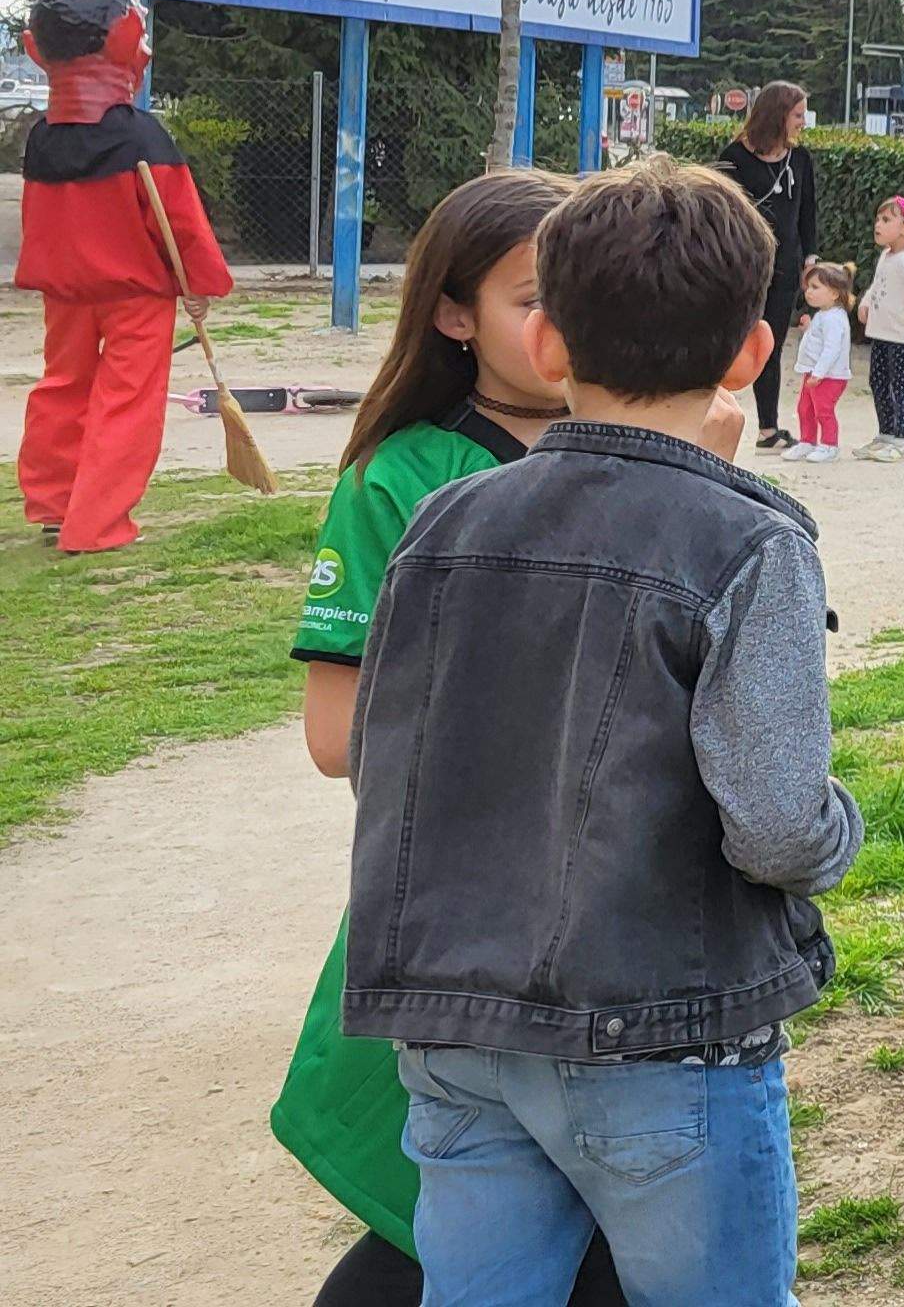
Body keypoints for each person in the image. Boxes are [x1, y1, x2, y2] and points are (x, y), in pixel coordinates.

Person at [345, 157, 862, 1306]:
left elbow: (382, 764)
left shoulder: (442, 518)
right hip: (664, 1036)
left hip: (457, 1026)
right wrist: (841, 834)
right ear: (752, 353)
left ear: (551, 345)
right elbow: (778, 826)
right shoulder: (751, 540)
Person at [271, 169, 632, 1307]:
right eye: (533, 296)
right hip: (461, 916)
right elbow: (338, 738)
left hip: (630, 913)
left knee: (619, 1219)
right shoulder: (403, 479)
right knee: (445, 1225)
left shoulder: (653, 459)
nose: (564, 325)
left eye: (585, 290)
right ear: (452, 314)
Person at [13, 0, 229, 553]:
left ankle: (55, 506)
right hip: (135, 292)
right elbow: (179, 221)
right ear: (125, 39)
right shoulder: (140, 137)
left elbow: (40, 220)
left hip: (67, 292)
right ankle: (97, 523)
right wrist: (199, 282)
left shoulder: (41, 138)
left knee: (62, 386)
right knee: (126, 401)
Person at [716, 81, 819, 451]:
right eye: (797, 115)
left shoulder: (801, 159)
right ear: (777, 115)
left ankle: (768, 428)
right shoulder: (733, 157)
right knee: (727, 339)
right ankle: (709, 414)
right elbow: (721, 210)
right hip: (744, 265)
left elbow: (808, 214)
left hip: (786, 267)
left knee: (770, 345)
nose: (802, 122)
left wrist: (811, 260)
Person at [860, 197, 904, 461]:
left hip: (903, 337)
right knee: (878, 382)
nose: (878, 224)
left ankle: (902, 441)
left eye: (886, 220)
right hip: (882, 333)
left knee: (899, 385)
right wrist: (867, 302)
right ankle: (886, 434)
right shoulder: (886, 256)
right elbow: (878, 284)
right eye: (878, 219)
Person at [787, 258, 857, 462]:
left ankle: (829, 445)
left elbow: (832, 348)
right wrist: (810, 328)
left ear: (835, 293)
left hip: (829, 376)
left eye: (815, 287)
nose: (808, 291)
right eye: (808, 286)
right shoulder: (824, 314)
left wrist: (819, 373)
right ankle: (807, 441)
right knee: (805, 408)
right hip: (815, 373)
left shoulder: (834, 318)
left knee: (823, 410)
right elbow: (820, 340)